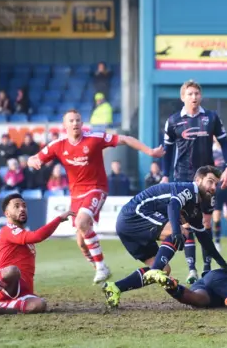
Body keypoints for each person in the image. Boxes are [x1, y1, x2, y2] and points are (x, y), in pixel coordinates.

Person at [27, 109, 165, 284]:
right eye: (71, 121)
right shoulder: (57, 145)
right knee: (82, 243)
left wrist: (150, 152)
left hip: (96, 189)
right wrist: (34, 161)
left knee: (81, 222)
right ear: (64, 125)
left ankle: (100, 267)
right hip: (76, 196)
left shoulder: (94, 139)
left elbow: (125, 139)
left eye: (78, 120)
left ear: (82, 123)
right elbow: (34, 158)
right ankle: (101, 268)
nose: (75, 123)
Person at [101, 166, 227, 309]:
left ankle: (115, 287)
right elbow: (174, 205)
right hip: (134, 215)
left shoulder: (195, 207)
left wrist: (222, 263)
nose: (213, 187)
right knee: (181, 232)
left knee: (164, 270)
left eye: (216, 184)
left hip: (127, 227)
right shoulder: (189, 189)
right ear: (198, 180)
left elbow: (204, 238)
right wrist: (176, 232)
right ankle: (155, 270)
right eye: (210, 181)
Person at [161, 80, 227, 284]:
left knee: (206, 222)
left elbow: (225, 144)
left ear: (200, 96)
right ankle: (192, 269)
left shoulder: (211, 117)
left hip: (207, 179)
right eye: (190, 94)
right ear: (182, 97)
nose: (194, 97)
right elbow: (167, 152)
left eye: (197, 94)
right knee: (187, 224)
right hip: (183, 177)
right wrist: (165, 175)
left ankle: (208, 268)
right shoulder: (173, 121)